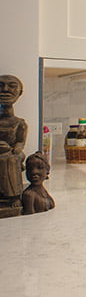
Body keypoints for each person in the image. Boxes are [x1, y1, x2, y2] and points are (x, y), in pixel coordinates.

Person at [0, 75, 27, 217]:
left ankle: (13, 197)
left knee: (10, 160)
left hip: (11, 153)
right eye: (1, 85)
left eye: (11, 86)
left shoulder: (19, 123)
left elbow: (20, 142)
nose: (5, 90)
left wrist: (17, 148)